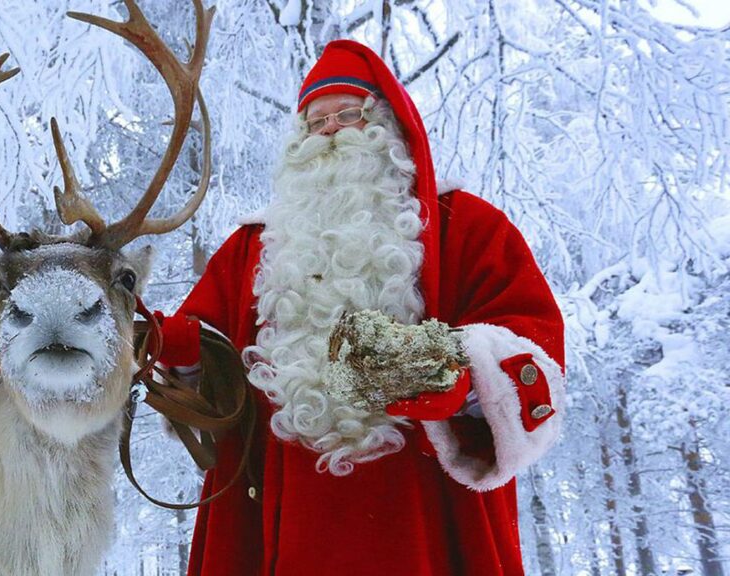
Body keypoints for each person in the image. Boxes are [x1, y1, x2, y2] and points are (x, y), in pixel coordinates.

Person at [153, 39, 565, 575]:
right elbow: (209, 378)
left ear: (388, 127)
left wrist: (457, 377)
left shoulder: (466, 226)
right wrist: (181, 353)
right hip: (284, 511)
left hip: (422, 514)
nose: (328, 130)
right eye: (314, 120)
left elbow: (534, 346)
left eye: (348, 114)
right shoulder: (253, 247)